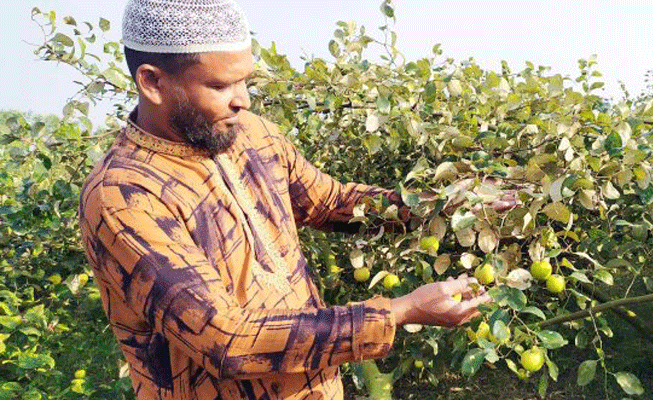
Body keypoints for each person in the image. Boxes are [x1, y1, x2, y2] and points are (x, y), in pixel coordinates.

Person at [78, 1, 514, 399]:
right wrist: (399, 311)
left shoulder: (250, 134)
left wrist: (445, 205)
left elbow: (330, 202)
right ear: (152, 82)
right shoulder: (124, 197)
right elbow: (226, 340)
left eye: (245, 79)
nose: (242, 99)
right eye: (220, 85)